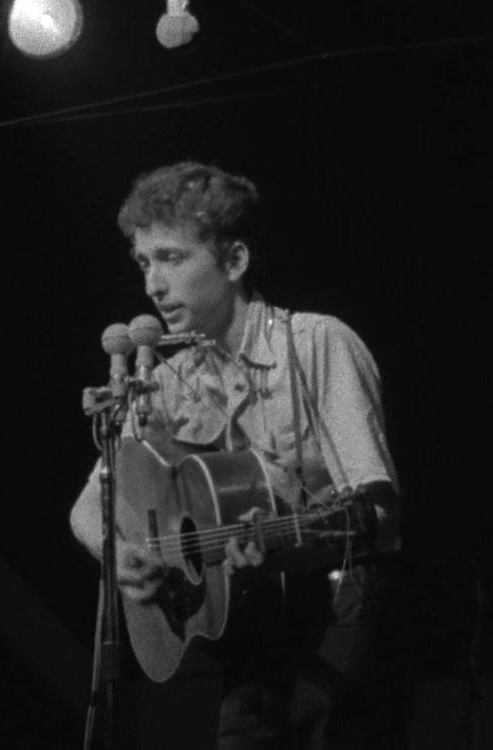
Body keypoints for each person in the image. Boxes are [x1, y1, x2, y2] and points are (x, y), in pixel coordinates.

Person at [69, 161, 410, 749]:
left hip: (336, 609)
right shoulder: (167, 380)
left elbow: (381, 516)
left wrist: (290, 540)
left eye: (172, 259)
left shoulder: (315, 343)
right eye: (145, 262)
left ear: (234, 262)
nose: (152, 284)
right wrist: (120, 553)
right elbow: (85, 510)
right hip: (248, 631)